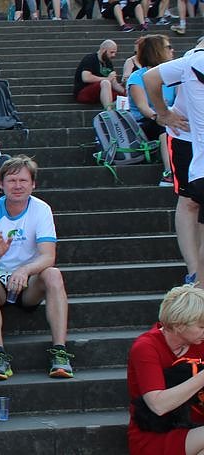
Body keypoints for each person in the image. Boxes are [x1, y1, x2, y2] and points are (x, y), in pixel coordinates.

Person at [0, 156, 75, 380]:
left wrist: (25, 270)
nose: (17, 186)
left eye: (23, 180)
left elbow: (48, 256)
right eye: (11, 181)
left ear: (33, 184)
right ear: (1, 184)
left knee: (53, 274)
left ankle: (60, 351)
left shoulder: (41, 209)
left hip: (29, 283)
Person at [145, 39, 204, 284]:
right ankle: (194, 271)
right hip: (184, 134)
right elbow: (150, 78)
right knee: (189, 201)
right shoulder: (193, 59)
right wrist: (164, 113)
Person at [125, 285, 204, 454]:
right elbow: (158, 405)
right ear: (179, 325)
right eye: (201, 327)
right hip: (157, 433)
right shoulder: (146, 347)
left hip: (197, 428)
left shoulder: (199, 341)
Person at [124, 35, 175, 186]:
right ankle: (169, 173)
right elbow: (142, 107)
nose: (172, 50)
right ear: (156, 51)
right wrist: (159, 117)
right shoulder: (137, 77)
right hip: (145, 122)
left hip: (170, 116)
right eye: (168, 47)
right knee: (164, 128)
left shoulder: (173, 74)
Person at [74, 40, 125, 110]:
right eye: (111, 52)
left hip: (100, 92)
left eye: (115, 53)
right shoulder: (90, 58)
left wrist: (126, 92)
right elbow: (86, 78)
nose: (113, 55)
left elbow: (114, 83)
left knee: (122, 96)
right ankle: (109, 110)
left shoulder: (108, 62)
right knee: (105, 82)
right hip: (84, 92)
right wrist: (107, 79)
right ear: (103, 50)